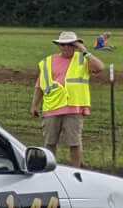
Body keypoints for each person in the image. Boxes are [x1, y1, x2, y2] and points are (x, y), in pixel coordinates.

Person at [32, 31, 104, 169]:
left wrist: (84, 51)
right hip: (52, 107)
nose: (66, 48)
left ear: (75, 45)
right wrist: (34, 105)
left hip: (74, 107)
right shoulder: (48, 61)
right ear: (59, 45)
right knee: (50, 142)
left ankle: (75, 171)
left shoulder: (83, 59)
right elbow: (40, 84)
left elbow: (99, 67)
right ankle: (49, 169)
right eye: (63, 45)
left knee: (74, 143)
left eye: (70, 44)